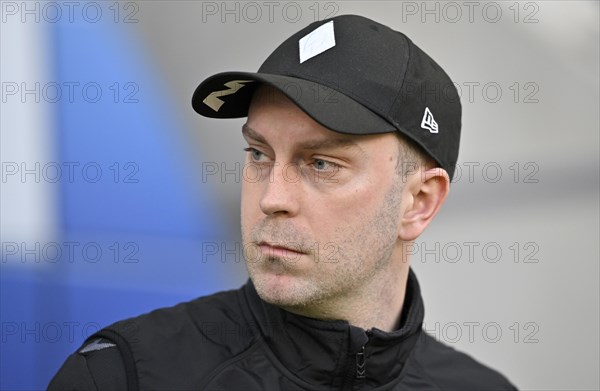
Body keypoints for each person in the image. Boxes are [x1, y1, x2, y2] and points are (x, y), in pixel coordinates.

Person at [49, 14, 517, 390]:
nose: (272, 198)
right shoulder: (124, 375)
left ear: (418, 202)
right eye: (258, 153)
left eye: (321, 164)